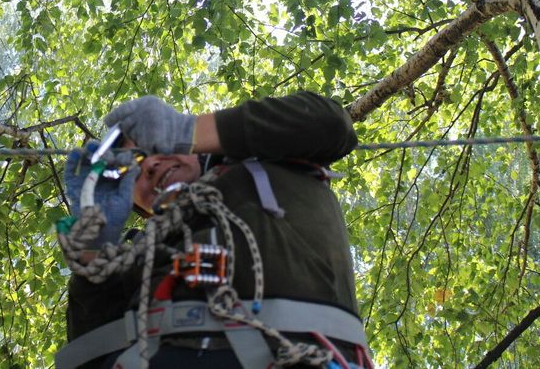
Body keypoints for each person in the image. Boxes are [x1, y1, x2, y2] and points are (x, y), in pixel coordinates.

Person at [57, 91, 371, 369]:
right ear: (138, 205)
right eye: (133, 167)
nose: (149, 164)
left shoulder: (271, 164)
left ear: (195, 147)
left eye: (154, 145)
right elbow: (88, 354)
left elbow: (332, 124)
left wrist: (188, 130)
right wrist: (95, 241)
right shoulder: (137, 260)